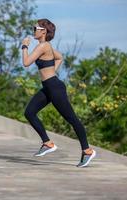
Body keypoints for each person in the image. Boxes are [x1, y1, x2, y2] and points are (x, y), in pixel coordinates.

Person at [21, 18, 96, 167]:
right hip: (49, 87)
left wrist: (24, 46)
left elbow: (26, 62)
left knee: (72, 119)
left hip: (55, 88)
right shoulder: (45, 47)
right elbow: (60, 57)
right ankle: (47, 143)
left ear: (43, 31)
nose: (33, 30)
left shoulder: (43, 46)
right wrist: (51, 72)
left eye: (35, 27)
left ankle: (87, 151)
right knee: (29, 112)